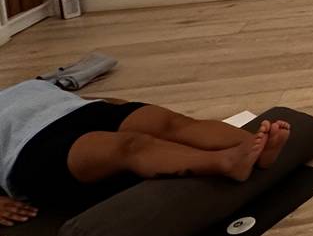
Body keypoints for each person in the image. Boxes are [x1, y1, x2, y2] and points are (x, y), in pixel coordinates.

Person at [0, 78, 292, 222]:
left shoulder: (29, 84)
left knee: (171, 123)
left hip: (81, 110)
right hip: (31, 148)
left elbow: (82, 96)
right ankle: (225, 162)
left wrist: (124, 107)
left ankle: (251, 144)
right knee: (130, 145)